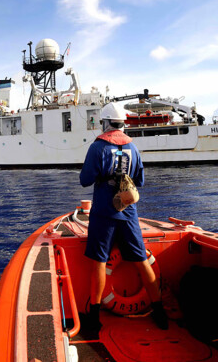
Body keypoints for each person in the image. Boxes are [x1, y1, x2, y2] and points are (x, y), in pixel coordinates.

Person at [79, 102, 168, 331]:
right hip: (128, 214)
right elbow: (139, 182)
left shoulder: (97, 147)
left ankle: (94, 318)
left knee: (99, 262)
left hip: (104, 213)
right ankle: (159, 312)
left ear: (105, 123)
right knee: (141, 260)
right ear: (123, 125)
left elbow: (85, 179)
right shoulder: (134, 148)